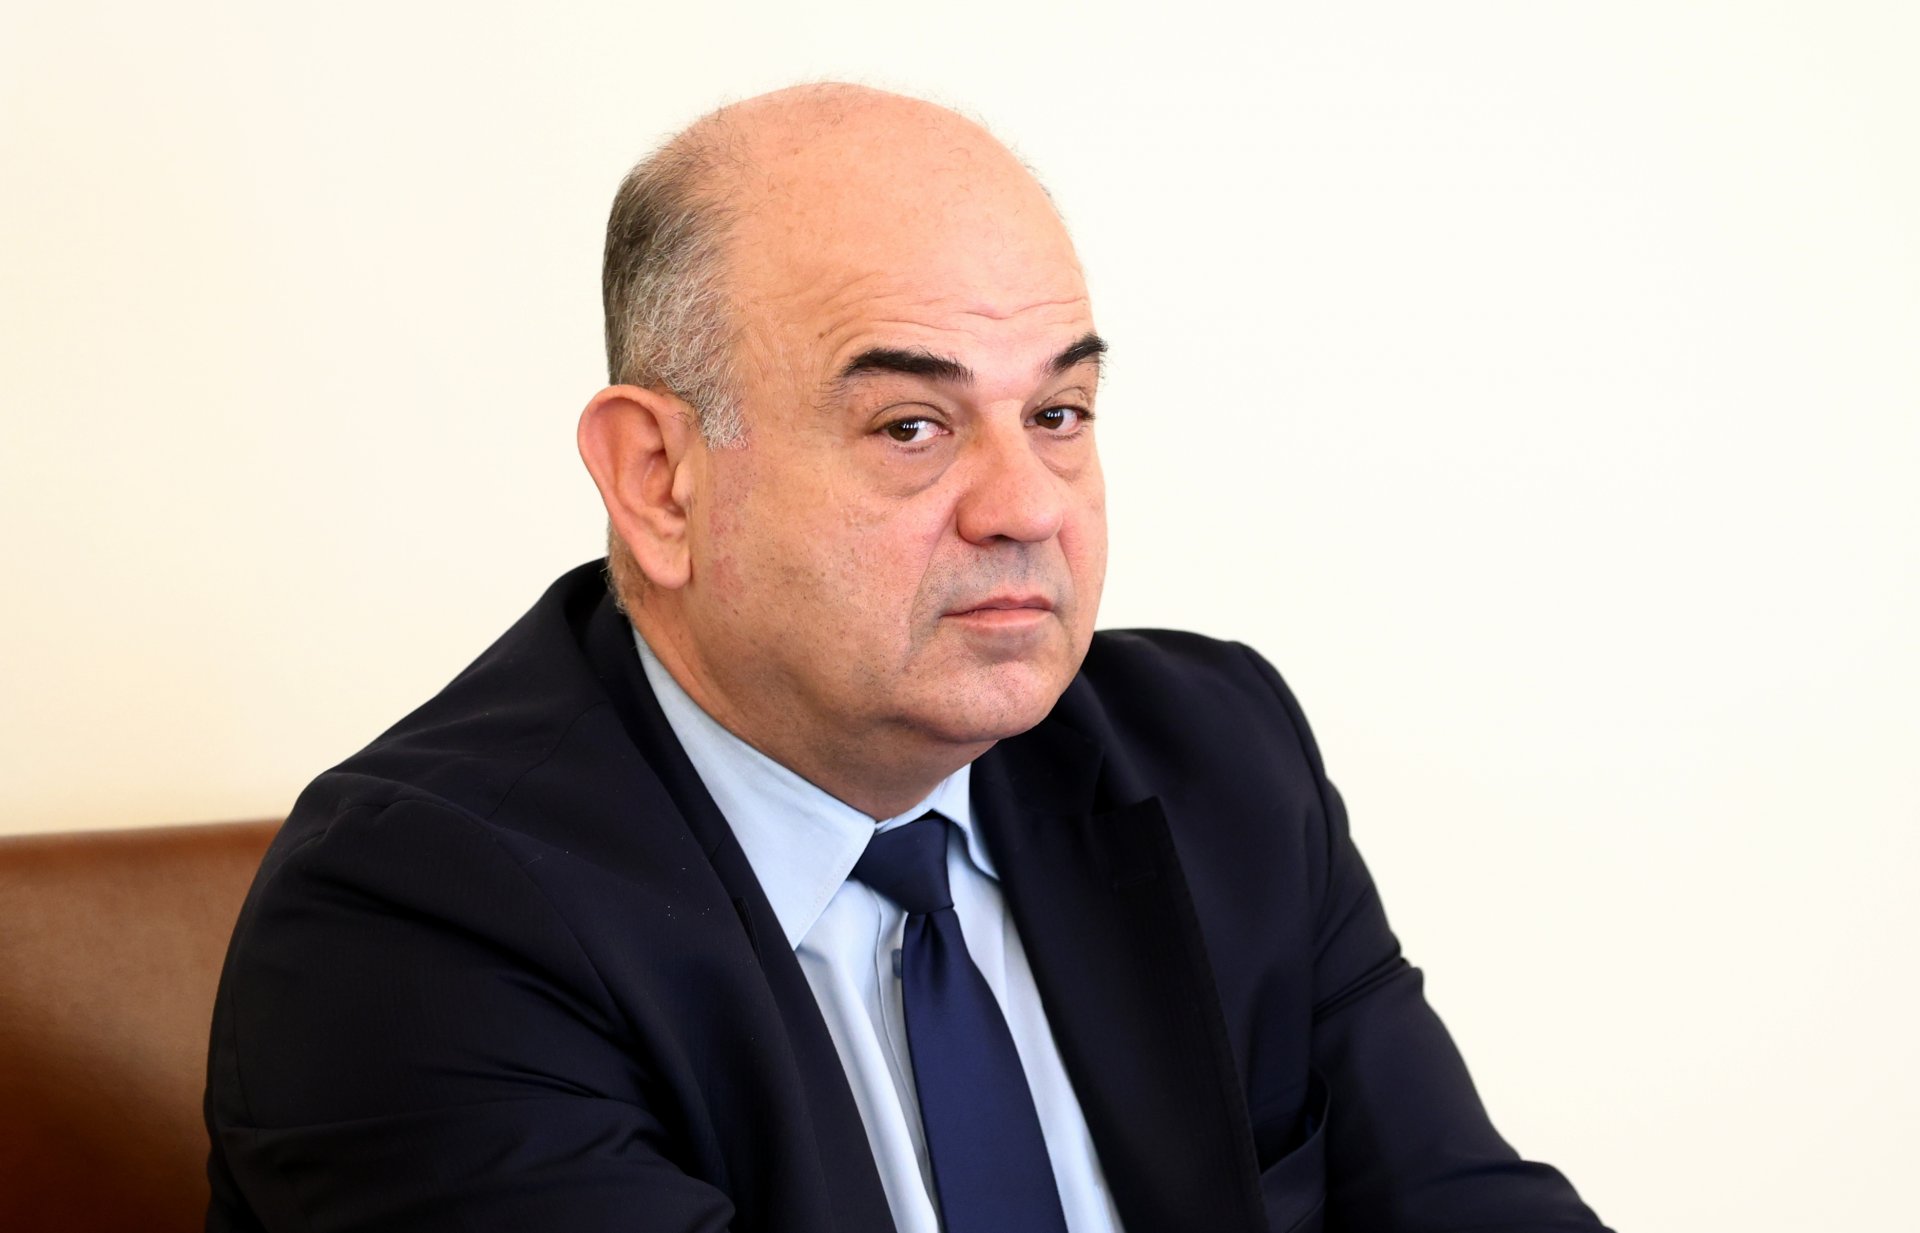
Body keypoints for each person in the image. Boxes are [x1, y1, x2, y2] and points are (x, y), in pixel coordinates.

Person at [204, 84, 1611, 1233]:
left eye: (1058, 413)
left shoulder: (1217, 757)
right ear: (660, 480)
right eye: (912, 429)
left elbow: (1457, 1205)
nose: (1027, 508)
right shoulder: (411, 919)